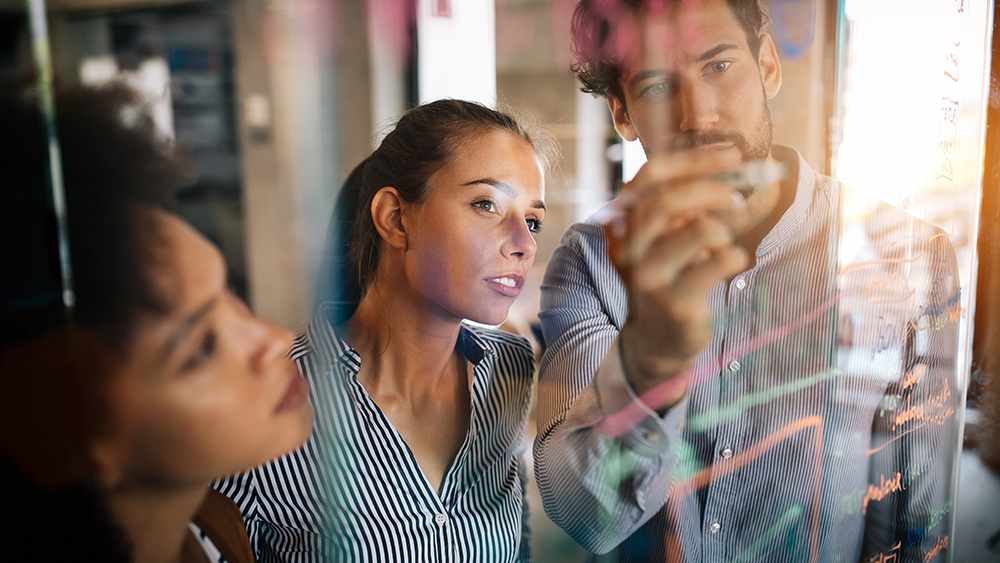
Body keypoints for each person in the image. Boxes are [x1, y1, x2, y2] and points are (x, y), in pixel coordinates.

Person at [534, 1, 960, 561]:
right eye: (660, 86)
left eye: (719, 66)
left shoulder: (907, 255)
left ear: (768, 66)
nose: (699, 114)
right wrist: (651, 360)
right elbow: (587, 517)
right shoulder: (590, 260)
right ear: (623, 113)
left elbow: (921, 521)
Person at [214, 99, 549, 562]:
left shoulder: (508, 370)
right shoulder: (269, 400)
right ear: (394, 218)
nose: (524, 243)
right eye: (486, 204)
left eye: (532, 220)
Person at [0, 82, 314, 563]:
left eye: (231, 296)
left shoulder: (218, 527)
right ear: (66, 429)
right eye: (201, 349)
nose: (277, 341)